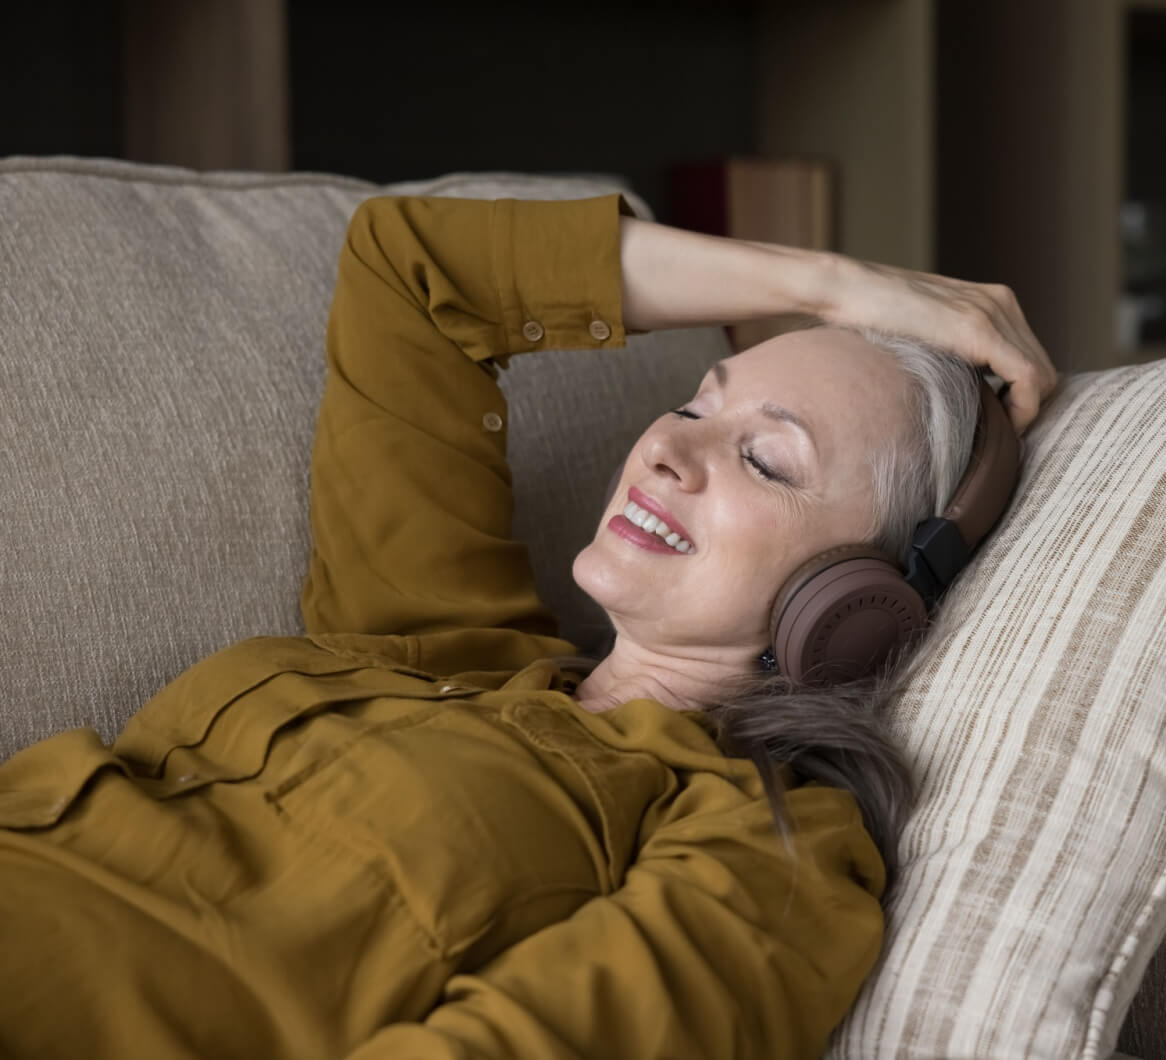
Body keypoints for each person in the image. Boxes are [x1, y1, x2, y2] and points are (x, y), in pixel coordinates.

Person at [0, 192, 1056, 1060]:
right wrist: (833, 283)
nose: (663, 452)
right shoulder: (441, 637)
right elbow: (410, 269)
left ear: (858, 607)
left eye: (765, 458)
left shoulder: (766, 846)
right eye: (694, 406)